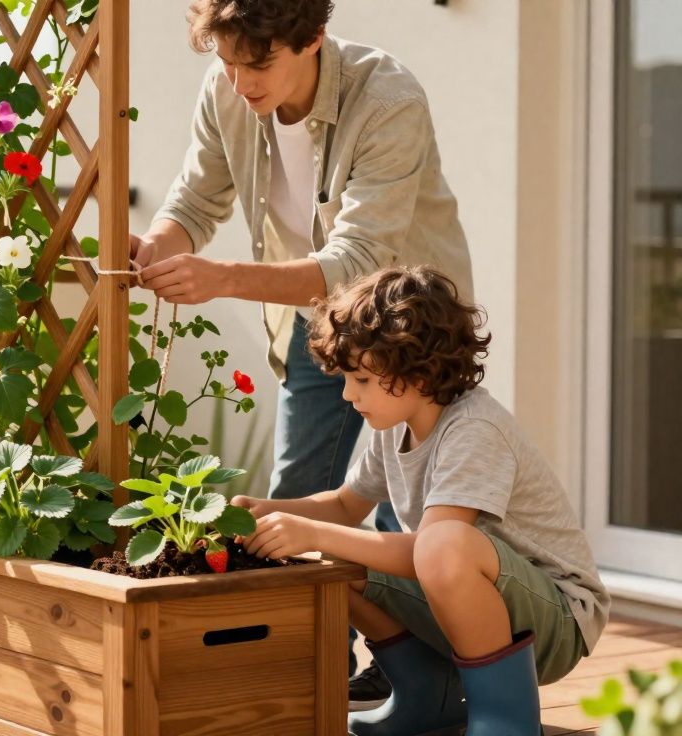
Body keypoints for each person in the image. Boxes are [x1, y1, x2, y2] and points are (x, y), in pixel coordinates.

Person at [131, 0, 473, 703]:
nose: (239, 82)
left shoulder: (387, 96)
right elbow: (196, 200)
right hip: (314, 319)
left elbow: (359, 258)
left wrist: (221, 278)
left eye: (257, 65)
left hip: (410, 329)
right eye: (225, 63)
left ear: (313, 39)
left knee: (406, 510)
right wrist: (156, 250)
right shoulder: (227, 88)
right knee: (295, 494)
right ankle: (306, 662)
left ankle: (425, 671)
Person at [230, 266, 608, 734]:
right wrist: (265, 512)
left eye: (361, 380)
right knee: (329, 559)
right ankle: (429, 695)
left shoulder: (474, 429)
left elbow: (433, 549)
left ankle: (507, 718)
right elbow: (346, 505)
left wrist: (310, 531)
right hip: (470, 609)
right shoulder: (394, 430)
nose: (348, 394)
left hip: (554, 622)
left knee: (444, 543)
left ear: (418, 370)